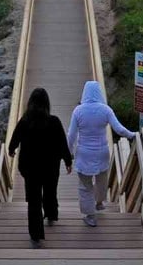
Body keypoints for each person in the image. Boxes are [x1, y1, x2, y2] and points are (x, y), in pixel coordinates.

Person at [8, 88, 73, 248]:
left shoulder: (24, 122)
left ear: (30, 103)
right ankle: (51, 214)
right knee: (50, 191)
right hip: (50, 166)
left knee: (34, 200)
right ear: (47, 104)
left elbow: (14, 140)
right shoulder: (54, 121)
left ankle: (35, 235)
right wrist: (67, 161)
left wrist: (11, 150)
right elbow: (62, 143)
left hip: (30, 168)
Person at [67, 80, 136, 227]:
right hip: (102, 152)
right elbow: (119, 129)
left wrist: (69, 153)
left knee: (85, 186)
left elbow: (71, 135)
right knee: (101, 181)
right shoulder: (106, 110)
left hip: (84, 153)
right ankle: (99, 203)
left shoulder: (78, 111)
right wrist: (132, 135)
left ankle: (90, 215)